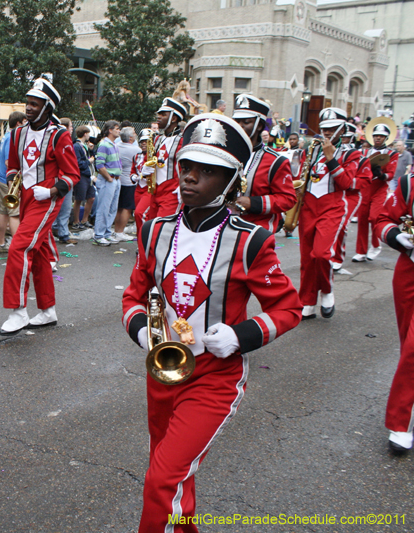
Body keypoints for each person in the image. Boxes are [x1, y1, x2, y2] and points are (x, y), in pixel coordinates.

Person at [122, 113, 302, 533]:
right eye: (186, 167)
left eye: (207, 172)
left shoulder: (251, 239)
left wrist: (240, 335)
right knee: (172, 478)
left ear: (231, 181)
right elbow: (133, 296)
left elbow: (288, 309)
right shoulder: (154, 230)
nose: (189, 178)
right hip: (162, 372)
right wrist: (146, 332)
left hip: (214, 378)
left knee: (163, 479)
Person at [0, 78, 79, 336]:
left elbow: (72, 174)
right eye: (28, 103)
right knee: (41, 255)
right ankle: (47, 310)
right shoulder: (17, 133)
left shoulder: (59, 135)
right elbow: (12, 165)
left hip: (46, 200)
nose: (29, 108)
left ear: (47, 108)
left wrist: (53, 190)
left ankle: (18, 310)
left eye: (35, 104)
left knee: (19, 247)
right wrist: (13, 181)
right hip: (25, 197)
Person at [298, 108, 361, 319]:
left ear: (342, 129)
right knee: (307, 258)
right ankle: (307, 300)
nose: (327, 134)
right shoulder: (310, 149)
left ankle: (326, 290)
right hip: (308, 206)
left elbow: (346, 183)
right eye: (324, 129)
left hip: (332, 206)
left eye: (332, 129)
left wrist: (331, 158)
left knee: (322, 254)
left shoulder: (352, 153)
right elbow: (301, 177)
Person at [374, 174, 414, 454]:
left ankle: (402, 421)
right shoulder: (409, 183)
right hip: (409, 272)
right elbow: (383, 219)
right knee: (407, 345)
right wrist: (396, 235)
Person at [231, 94, 296, 233]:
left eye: (246, 122)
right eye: (236, 122)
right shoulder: (224, 154)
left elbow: (288, 199)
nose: (240, 127)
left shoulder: (276, 161)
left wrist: (253, 203)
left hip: (258, 232)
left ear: (259, 126)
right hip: (225, 228)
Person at [134, 98, 186, 232]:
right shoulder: (157, 139)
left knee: (163, 230)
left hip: (172, 192)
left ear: (174, 118)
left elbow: (188, 166)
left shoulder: (183, 140)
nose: (159, 117)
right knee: (147, 225)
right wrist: (145, 167)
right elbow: (148, 159)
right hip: (154, 190)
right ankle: (143, 252)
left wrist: (183, 186)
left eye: (163, 114)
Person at [354, 122, 398, 262]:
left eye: (381, 136)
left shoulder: (392, 154)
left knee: (374, 217)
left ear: (386, 138)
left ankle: (375, 245)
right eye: (376, 136)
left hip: (380, 188)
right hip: (365, 187)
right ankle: (361, 251)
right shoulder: (365, 152)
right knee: (362, 219)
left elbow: (391, 173)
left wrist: (381, 174)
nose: (378, 138)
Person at [331, 123, 371, 271]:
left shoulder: (360, 157)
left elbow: (365, 180)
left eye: (346, 137)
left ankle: (337, 258)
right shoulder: (330, 153)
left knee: (341, 225)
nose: (343, 140)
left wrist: (345, 182)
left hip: (351, 195)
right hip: (332, 193)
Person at [0, 111, 26, 253]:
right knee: (14, 214)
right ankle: (18, 247)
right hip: (8, 181)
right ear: (18, 123)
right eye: (25, 122)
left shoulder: (7, 136)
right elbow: (9, 162)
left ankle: (1, 244)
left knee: (4, 212)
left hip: (2, 179)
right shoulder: (12, 137)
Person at [92, 120, 122, 246]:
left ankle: (107, 233)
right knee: (103, 208)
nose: (118, 130)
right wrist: (109, 178)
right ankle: (99, 235)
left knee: (112, 208)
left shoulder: (113, 144)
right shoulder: (104, 144)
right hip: (108, 180)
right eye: (116, 128)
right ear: (110, 130)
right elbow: (99, 164)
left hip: (115, 179)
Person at [131, 128, 160, 238]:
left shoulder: (156, 157)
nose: (144, 144)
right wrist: (134, 176)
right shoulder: (136, 156)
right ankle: (141, 242)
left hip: (150, 188)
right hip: (138, 189)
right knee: (138, 216)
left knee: (140, 213)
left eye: (147, 141)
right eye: (142, 142)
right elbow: (133, 170)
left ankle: (145, 240)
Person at [52, 117, 77, 245]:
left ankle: (57, 229)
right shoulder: (63, 140)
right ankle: (63, 233)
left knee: (60, 207)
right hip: (64, 178)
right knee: (65, 208)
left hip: (60, 178)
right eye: (71, 126)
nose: (72, 129)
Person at [113, 126, 139, 242]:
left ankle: (116, 230)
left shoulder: (116, 146)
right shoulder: (135, 150)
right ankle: (120, 231)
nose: (135, 134)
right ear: (130, 137)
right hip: (129, 181)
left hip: (119, 180)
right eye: (134, 133)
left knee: (119, 207)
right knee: (127, 208)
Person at [71, 125, 94, 230]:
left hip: (88, 175)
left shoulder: (84, 146)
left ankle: (85, 220)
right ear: (85, 134)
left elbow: (90, 157)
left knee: (91, 197)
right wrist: (88, 162)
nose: (89, 135)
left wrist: (91, 150)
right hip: (81, 175)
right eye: (88, 133)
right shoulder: (76, 146)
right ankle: (76, 221)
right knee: (79, 199)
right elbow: (78, 163)